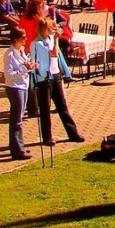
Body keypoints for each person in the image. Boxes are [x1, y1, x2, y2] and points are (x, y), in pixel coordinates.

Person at [29, 17, 85, 146]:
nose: (52, 30)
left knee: (62, 107)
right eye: (49, 28)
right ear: (43, 29)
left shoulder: (49, 39)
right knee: (45, 109)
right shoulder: (38, 44)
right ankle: (47, 138)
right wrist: (56, 39)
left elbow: (57, 55)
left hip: (56, 76)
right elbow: (53, 53)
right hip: (44, 79)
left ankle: (73, 133)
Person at [3, 28, 37, 160]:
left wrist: (31, 66)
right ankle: (17, 150)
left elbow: (25, 67)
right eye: (23, 37)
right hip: (15, 88)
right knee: (16, 120)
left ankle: (20, 146)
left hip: (24, 86)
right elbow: (9, 75)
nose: (26, 39)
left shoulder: (21, 51)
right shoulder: (9, 55)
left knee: (20, 118)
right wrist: (25, 69)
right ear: (16, 39)